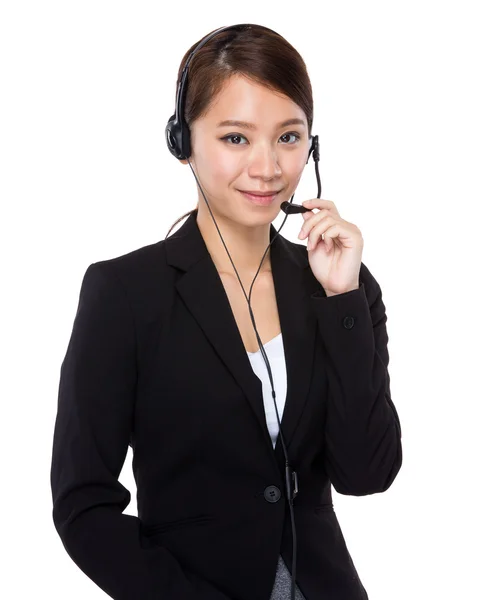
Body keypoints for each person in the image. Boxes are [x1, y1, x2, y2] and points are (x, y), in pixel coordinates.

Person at [50, 24, 403, 600]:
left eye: (288, 137)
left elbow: (367, 474)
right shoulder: (123, 294)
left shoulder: (345, 288)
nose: (267, 168)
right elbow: (82, 505)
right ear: (183, 141)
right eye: (236, 138)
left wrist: (342, 302)